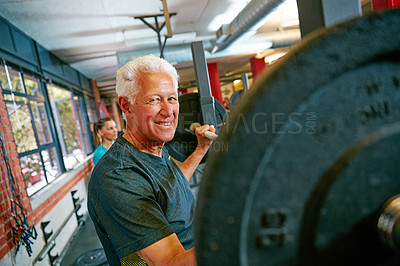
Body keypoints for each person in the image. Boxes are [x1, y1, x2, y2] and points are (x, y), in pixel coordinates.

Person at [87, 54, 215, 266]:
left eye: (172, 98)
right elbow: (171, 262)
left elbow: (169, 187)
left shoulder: (153, 147)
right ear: (126, 106)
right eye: (154, 100)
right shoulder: (117, 177)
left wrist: (200, 150)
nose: (168, 112)